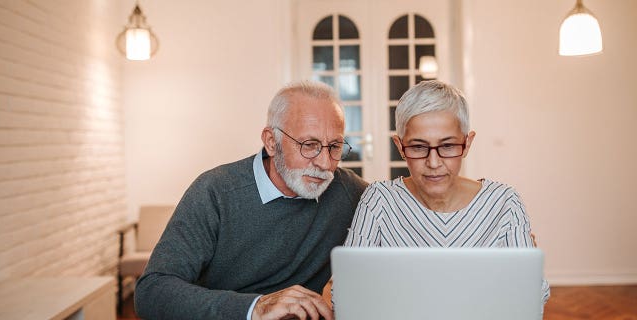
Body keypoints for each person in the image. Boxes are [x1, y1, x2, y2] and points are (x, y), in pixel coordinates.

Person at [134, 80, 368, 320]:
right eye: (309, 145)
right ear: (271, 142)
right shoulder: (215, 192)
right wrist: (255, 307)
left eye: (335, 147)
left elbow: (399, 205)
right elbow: (152, 291)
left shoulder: (350, 192)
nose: (325, 163)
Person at [342, 80, 550, 306]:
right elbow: (348, 292)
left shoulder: (504, 203)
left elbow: (533, 295)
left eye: (448, 146)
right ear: (400, 147)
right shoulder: (378, 199)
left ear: (467, 143)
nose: (433, 162)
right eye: (419, 147)